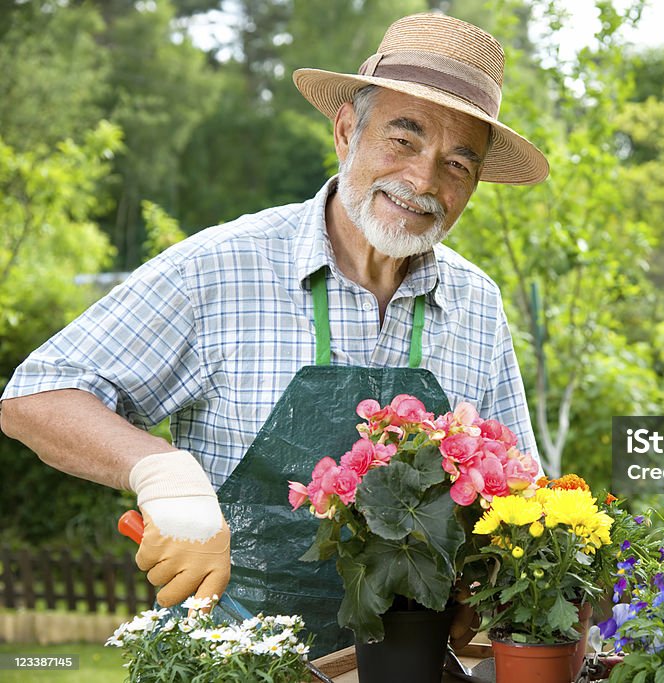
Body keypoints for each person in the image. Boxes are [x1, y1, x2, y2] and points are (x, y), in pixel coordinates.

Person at [0, 12, 547, 657]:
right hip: (230, 660)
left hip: (406, 664)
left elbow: (521, 490)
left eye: (458, 163)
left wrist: (484, 578)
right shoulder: (219, 268)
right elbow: (36, 395)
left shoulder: (475, 302)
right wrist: (162, 473)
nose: (424, 181)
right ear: (347, 131)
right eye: (404, 139)